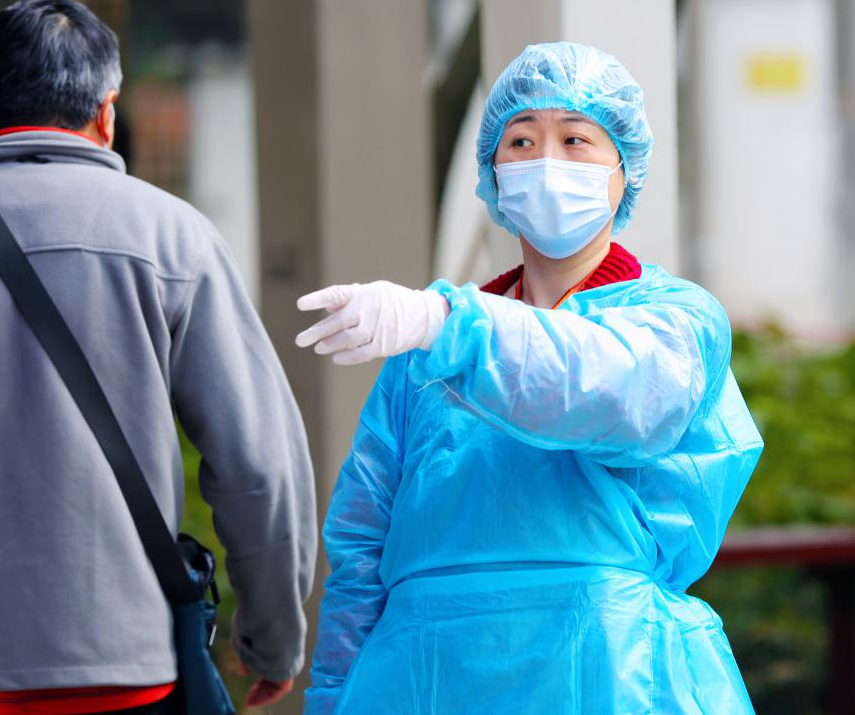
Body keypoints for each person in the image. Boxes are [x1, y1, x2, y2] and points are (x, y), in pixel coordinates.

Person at [297, 42, 763, 714]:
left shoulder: (672, 320)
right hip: (423, 678)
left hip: (608, 671)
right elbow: (361, 543)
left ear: (625, 171)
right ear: (492, 172)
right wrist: (334, 690)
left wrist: (448, 324)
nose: (547, 161)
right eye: (521, 140)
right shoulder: (425, 351)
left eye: (576, 139)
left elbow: (607, 390)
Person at [0, 2, 317, 713]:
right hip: (120, 665)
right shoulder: (172, 238)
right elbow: (258, 466)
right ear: (106, 112)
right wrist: (272, 639)